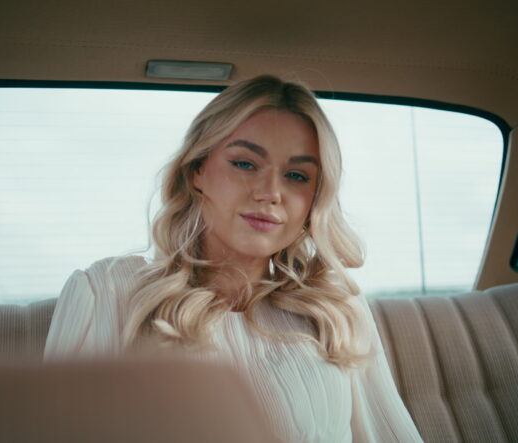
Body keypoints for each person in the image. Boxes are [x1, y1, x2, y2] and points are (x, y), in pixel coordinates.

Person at [44, 75, 423, 442]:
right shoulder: (107, 293)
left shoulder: (336, 309)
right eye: (245, 163)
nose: (271, 193)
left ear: (314, 199)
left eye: (296, 175)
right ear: (197, 170)